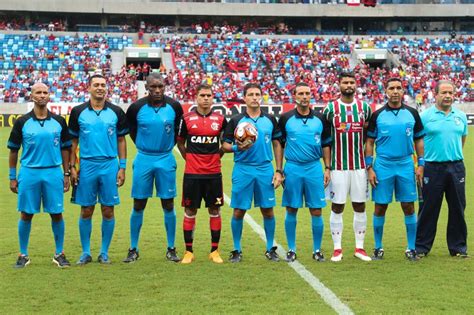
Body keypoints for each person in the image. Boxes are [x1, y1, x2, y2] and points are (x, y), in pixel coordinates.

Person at [8, 83, 72, 268]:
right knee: (26, 214)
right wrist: (13, 177)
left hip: (53, 172)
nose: (42, 95)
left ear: (49, 96)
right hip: (29, 172)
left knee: (56, 213)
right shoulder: (22, 122)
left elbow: (66, 149)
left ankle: (59, 253)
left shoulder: (59, 121)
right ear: (32, 96)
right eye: (38, 92)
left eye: (45, 92)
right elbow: (13, 151)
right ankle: (23, 254)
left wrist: (66, 173)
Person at [123, 72, 183, 263]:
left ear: (165, 87)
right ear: (146, 87)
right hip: (144, 159)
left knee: (168, 203)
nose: (157, 90)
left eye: (161, 87)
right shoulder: (136, 108)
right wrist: (145, 147)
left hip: (166, 158)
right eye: (153, 87)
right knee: (139, 203)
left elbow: (177, 132)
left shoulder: (174, 106)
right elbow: (132, 132)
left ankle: (171, 248)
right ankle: (133, 248)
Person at [69, 74, 128, 265]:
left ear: (107, 88)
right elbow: (73, 141)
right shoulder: (78, 112)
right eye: (96, 85)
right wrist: (72, 167)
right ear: (89, 88)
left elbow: (121, 139)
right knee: (86, 209)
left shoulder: (116, 111)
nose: (100, 88)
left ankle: (104, 252)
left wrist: (122, 167)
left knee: (108, 210)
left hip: (109, 165)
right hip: (86, 165)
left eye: (103, 85)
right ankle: (85, 252)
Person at [222, 83, 284, 263]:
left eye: (258, 94)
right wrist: (237, 146)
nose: (255, 97)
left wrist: (279, 170)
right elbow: (224, 145)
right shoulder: (235, 120)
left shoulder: (270, 120)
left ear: (262, 97)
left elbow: (277, 144)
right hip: (243, 169)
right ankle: (236, 249)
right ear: (245, 98)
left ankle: (270, 248)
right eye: (251, 94)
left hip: (265, 169)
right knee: (239, 211)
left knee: (268, 211)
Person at [365, 77, 425, 261]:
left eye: (399, 88)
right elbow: (369, 142)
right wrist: (369, 167)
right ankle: (378, 247)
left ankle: (411, 248)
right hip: (383, 164)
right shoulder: (377, 115)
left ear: (403, 91)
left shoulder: (412, 114)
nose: (396, 91)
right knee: (380, 206)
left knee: (408, 205)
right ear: (386, 91)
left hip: (406, 164)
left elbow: (419, 140)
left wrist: (421, 164)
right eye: (392, 88)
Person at [279, 82, 331, 262]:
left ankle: (317, 250)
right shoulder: (285, 118)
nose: (304, 96)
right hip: (292, 167)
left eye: (307, 93)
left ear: (311, 96)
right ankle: (291, 249)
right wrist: (279, 169)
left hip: (314, 167)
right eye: (300, 93)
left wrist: (327, 168)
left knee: (316, 210)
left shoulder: (320, 118)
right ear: (294, 96)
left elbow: (326, 144)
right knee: (291, 208)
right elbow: (279, 144)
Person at [416, 80, 469, 258]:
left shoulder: (460, 116)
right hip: (432, 167)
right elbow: (417, 142)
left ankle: (458, 248)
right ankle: (422, 247)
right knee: (428, 208)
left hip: (456, 167)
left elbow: (462, 139)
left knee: (457, 208)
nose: (447, 96)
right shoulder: (425, 116)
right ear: (436, 95)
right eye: (444, 93)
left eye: (450, 93)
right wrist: (421, 164)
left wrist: (453, 156)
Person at [323, 72, 372, 262]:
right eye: (345, 82)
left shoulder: (364, 108)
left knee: (360, 205)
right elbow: (326, 139)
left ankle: (359, 247)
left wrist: (369, 164)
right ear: (339, 85)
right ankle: (337, 249)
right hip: (338, 166)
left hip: (359, 166)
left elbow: (369, 135)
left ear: (356, 85)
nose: (349, 85)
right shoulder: (330, 109)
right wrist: (327, 166)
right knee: (337, 206)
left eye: (352, 82)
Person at [176, 84, 227, 264]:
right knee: (190, 210)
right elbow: (180, 142)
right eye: (202, 95)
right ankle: (188, 251)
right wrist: (188, 158)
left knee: (215, 209)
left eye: (209, 95)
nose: (206, 98)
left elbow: (225, 143)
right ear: (196, 98)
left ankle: (214, 250)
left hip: (214, 174)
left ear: (213, 98)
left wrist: (218, 155)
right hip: (192, 174)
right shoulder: (186, 118)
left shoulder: (220, 119)